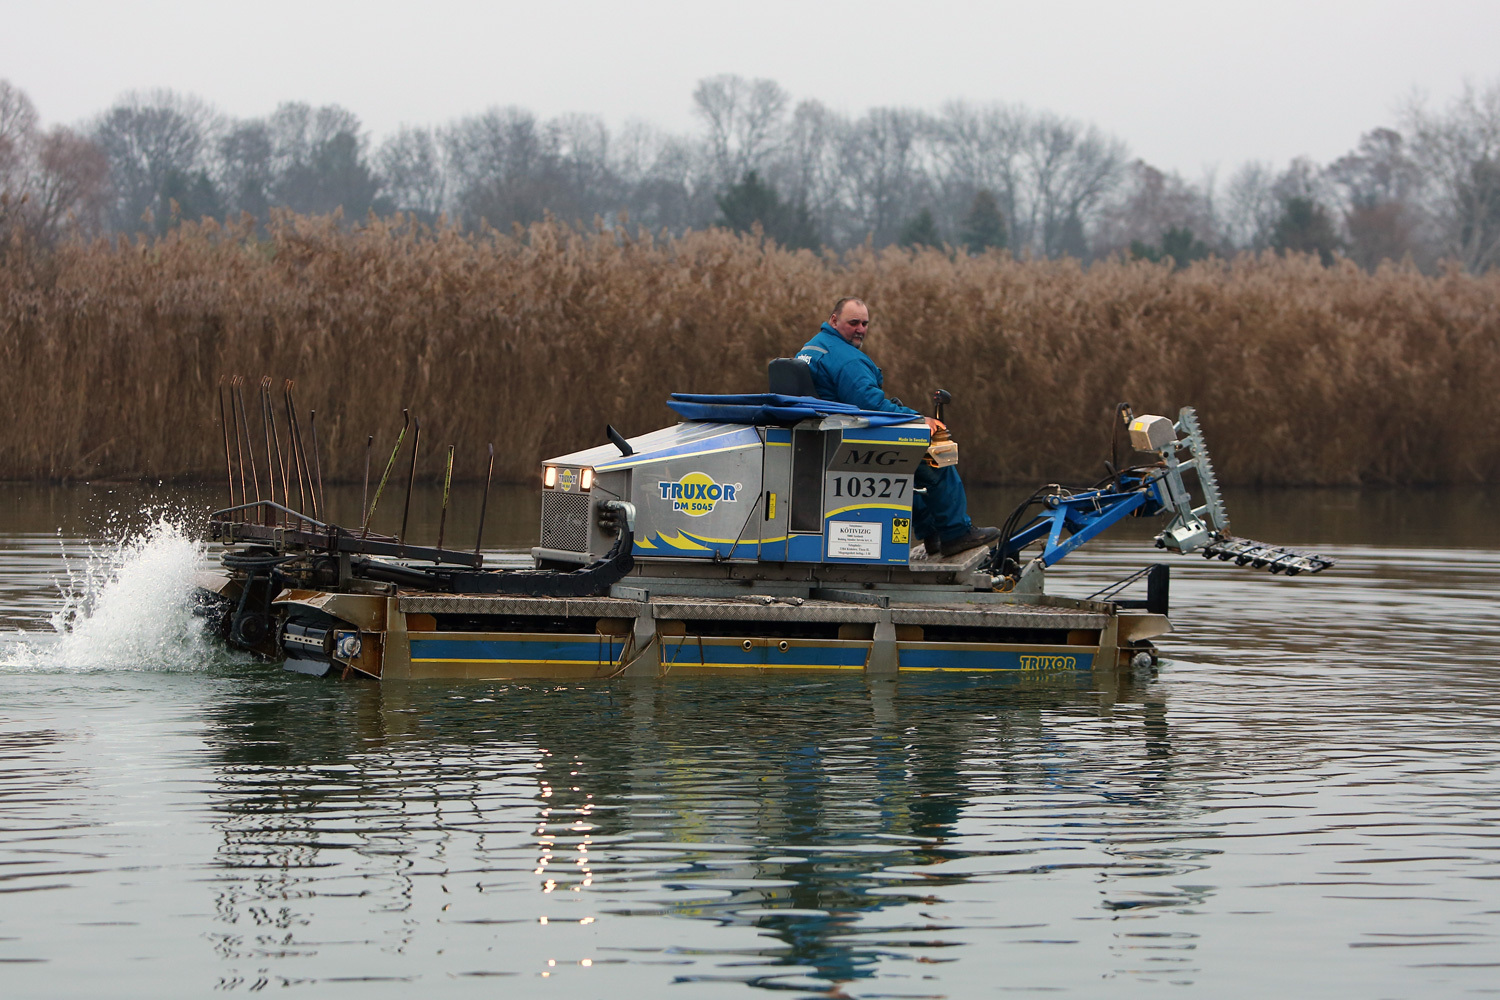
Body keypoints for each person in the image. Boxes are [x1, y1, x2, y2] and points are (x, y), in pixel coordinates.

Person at [796, 297, 1001, 557]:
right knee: (936, 461)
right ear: (834, 320)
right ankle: (956, 533)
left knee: (904, 473)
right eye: (853, 323)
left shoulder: (810, 349)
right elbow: (871, 403)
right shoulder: (847, 360)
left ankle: (932, 535)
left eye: (865, 323)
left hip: (825, 442)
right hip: (850, 444)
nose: (860, 329)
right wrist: (918, 419)